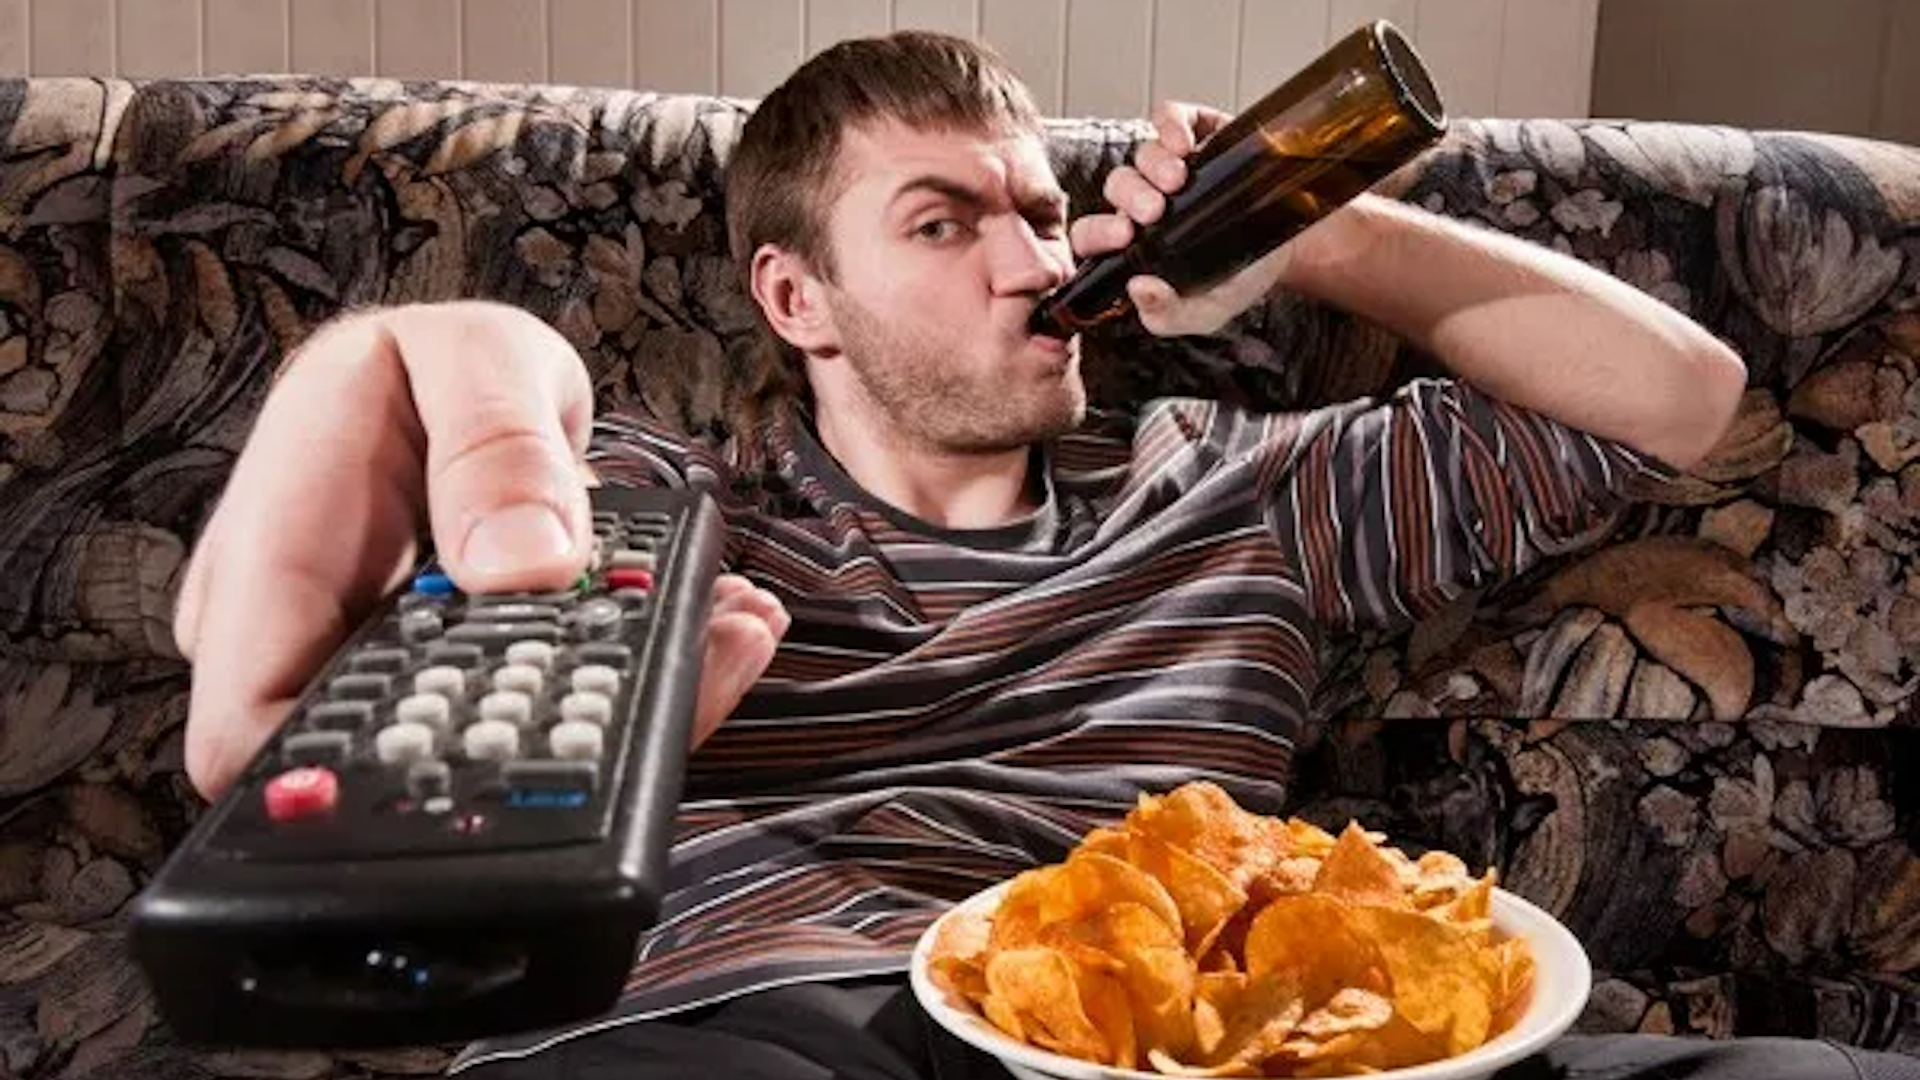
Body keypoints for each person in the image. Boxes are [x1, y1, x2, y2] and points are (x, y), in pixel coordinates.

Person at [171, 29, 1915, 1080]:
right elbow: (463, 532)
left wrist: (1308, 226)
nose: (1026, 258)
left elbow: (1673, 406)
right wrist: (395, 383)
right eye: (941, 223)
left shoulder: (1227, 486)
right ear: (799, 300)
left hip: (1205, 1052)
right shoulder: (661, 498)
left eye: (1031, 204)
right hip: (770, 1024)